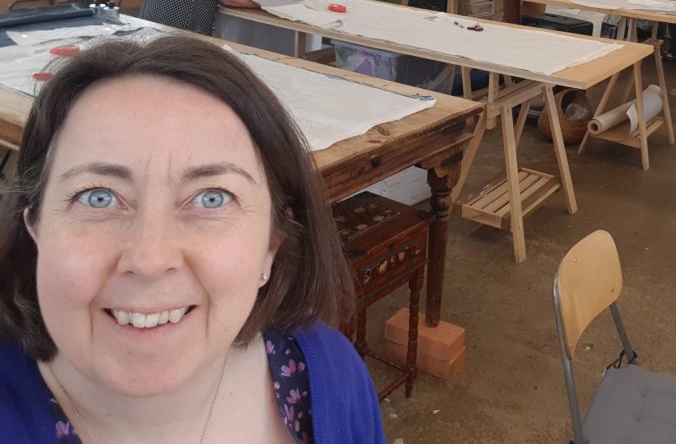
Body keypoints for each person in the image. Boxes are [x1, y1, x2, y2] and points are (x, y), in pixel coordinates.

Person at [0, 36, 386, 444]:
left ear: (272, 244)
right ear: (36, 228)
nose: (149, 259)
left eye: (211, 198)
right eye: (99, 197)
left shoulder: (332, 374)